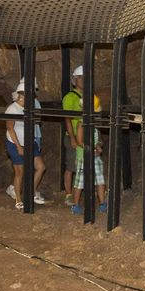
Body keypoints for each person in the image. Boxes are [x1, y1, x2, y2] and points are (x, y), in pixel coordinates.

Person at [5, 78, 47, 209]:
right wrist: (18, 146)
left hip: (29, 141)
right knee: (20, 172)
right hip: (15, 142)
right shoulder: (12, 109)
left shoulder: (30, 107)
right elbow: (10, 128)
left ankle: (30, 191)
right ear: (21, 95)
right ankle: (18, 198)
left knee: (41, 167)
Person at [69, 91, 108, 216]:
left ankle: (102, 203)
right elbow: (80, 141)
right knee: (80, 182)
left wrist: (98, 146)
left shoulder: (95, 123)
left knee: (100, 180)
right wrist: (92, 148)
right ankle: (75, 205)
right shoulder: (82, 123)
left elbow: (99, 139)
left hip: (94, 156)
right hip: (84, 156)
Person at [62, 66, 84, 204]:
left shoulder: (88, 96)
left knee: (83, 166)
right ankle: (68, 194)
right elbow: (67, 118)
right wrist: (72, 138)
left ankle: (78, 191)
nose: (83, 80)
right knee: (71, 166)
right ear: (75, 80)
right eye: (80, 77)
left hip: (85, 136)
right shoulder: (69, 97)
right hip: (74, 136)